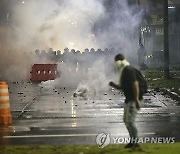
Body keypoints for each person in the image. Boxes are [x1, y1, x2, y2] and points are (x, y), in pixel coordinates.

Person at [109, 53, 143, 149]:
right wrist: (113, 85)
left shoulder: (128, 70)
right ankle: (132, 141)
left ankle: (135, 143)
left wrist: (136, 99)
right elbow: (121, 87)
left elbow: (135, 84)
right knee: (126, 120)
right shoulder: (124, 71)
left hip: (133, 99)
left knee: (130, 121)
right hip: (129, 99)